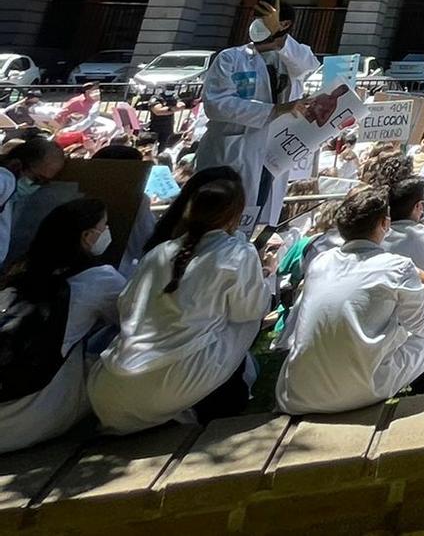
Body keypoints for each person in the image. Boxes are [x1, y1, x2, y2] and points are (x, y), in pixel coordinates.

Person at [88, 167, 267, 432]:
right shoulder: (236, 252)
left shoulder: (158, 252)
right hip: (168, 384)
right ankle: (214, 398)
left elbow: (126, 308)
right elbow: (250, 311)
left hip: (108, 391)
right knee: (250, 313)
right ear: (235, 215)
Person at [276, 186, 424, 414]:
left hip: (298, 394)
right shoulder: (397, 267)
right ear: (384, 224)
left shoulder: (321, 262)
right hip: (362, 390)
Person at [0, 199, 124, 453]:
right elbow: (134, 320)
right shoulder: (99, 279)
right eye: (105, 225)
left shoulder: (19, 272)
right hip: (34, 414)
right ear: (88, 236)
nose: (108, 230)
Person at [191, 16, 314, 234]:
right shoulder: (231, 58)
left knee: (254, 222)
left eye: (268, 18)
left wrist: (280, 39)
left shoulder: (292, 60)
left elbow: (306, 63)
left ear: (284, 24)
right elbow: (216, 105)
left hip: (271, 155)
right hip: (233, 153)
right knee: (216, 221)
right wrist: (275, 110)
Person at [0, 135, 65, 266]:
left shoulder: (11, 195)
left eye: (43, 182)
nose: (35, 186)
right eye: (36, 179)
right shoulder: (5, 179)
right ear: (17, 164)